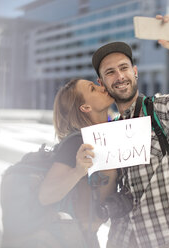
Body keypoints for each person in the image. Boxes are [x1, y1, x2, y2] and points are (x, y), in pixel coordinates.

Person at [91, 15, 169, 248]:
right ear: (102, 83)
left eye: (124, 68)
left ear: (135, 72)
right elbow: (108, 187)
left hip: (165, 238)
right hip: (121, 238)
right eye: (110, 72)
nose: (119, 76)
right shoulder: (110, 130)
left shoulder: (159, 109)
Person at [38, 78, 117, 247]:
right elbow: (45, 196)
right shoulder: (77, 142)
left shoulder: (108, 136)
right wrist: (77, 171)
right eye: (93, 89)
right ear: (85, 108)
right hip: (68, 239)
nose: (101, 87)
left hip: (86, 237)